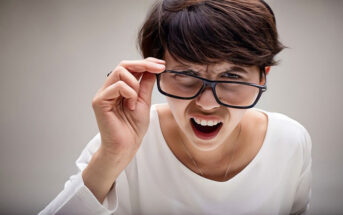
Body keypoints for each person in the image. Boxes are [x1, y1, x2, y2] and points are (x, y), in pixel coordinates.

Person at [39, 0, 312, 214]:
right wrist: (111, 157)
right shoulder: (122, 143)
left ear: (263, 76)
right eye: (185, 76)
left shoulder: (289, 142)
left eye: (231, 77)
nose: (206, 103)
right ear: (154, 70)